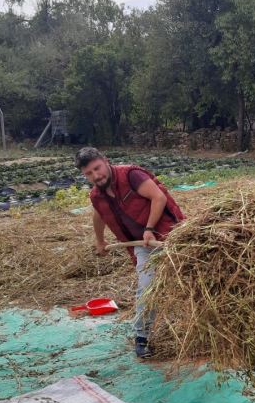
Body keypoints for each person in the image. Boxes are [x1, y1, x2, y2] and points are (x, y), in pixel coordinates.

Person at [74, 147, 185, 358]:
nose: (96, 176)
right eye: (89, 173)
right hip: (143, 246)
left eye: (97, 168)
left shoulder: (131, 175)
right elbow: (98, 216)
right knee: (147, 287)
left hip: (172, 235)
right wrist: (100, 241)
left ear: (106, 161)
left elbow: (158, 198)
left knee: (190, 279)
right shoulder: (97, 195)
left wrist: (149, 228)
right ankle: (142, 337)